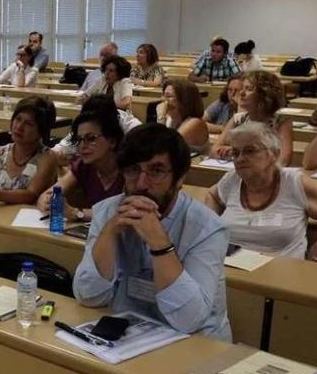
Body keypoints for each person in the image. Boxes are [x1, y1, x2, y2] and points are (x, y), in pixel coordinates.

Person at [73, 123, 232, 341]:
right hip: (130, 335)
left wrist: (160, 243)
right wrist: (109, 233)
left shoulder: (208, 228)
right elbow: (87, 295)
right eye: (132, 170)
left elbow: (189, 320)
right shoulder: (109, 211)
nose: (141, 183)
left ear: (180, 178)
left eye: (156, 171)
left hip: (196, 344)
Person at [207, 122, 317, 262]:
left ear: (274, 154)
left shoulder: (294, 182)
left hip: (283, 273)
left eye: (249, 151)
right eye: (235, 153)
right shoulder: (232, 179)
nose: (239, 159)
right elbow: (212, 195)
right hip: (233, 270)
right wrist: (211, 227)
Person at [0, 97, 58, 204]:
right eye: (18, 119)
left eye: (28, 124)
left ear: (41, 131)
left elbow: (31, 195)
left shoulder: (47, 157)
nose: (19, 127)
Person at [38, 106, 124, 222]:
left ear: (112, 141)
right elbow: (50, 193)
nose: (83, 146)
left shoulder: (130, 169)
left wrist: (77, 213)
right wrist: (47, 201)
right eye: (79, 140)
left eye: (91, 138)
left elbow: (124, 213)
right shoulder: (83, 165)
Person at [212, 70, 293, 166]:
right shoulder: (237, 119)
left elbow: (284, 160)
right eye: (242, 88)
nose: (241, 93)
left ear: (264, 94)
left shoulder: (281, 123)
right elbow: (214, 150)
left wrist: (239, 153)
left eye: (249, 89)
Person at [51, 95, 141, 164]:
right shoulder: (85, 126)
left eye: (91, 138)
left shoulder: (133, 128)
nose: (82, 145)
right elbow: (57, 151)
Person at [156, 79, 209, 154]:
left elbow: (164, 147)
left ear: (184, 100)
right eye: (163, 95)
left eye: (169, 96)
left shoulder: (194, 123)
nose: (163, 100)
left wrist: (160, 117)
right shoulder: (170, 119)